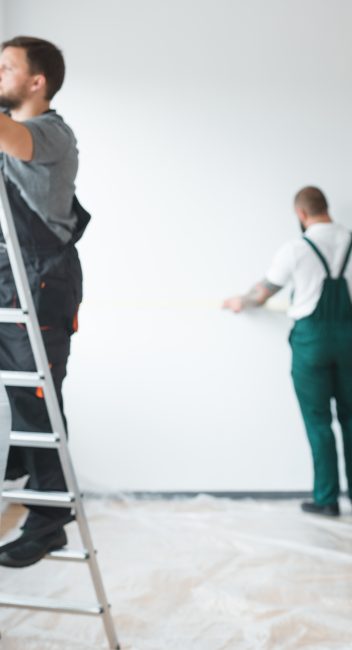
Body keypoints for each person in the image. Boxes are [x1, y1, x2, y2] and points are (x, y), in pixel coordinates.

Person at [223, 186, 352, 516]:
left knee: (318, 420)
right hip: (349, 339)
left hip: (310, 344)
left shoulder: (295, 249)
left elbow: (263, 291)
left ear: (301, 214)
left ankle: (326, 500)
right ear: (326, 207)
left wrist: (241, 301)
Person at [0, 36, 90, 567]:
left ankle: (49, 521)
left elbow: (10, 135)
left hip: (42, 280)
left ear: (37, 82)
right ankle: (21, 473)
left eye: (5, 67)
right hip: (9, 276)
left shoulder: (51, 134)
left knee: (38, 399)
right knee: (20, 400)